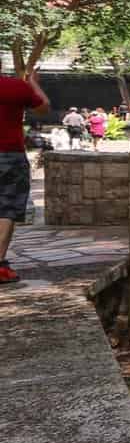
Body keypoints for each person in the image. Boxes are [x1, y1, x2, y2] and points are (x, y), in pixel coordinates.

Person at [0, 70, 52, 284]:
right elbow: (44, 107)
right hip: (10, 156)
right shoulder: (15, 87)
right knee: (7, 208)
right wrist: (32, 83)